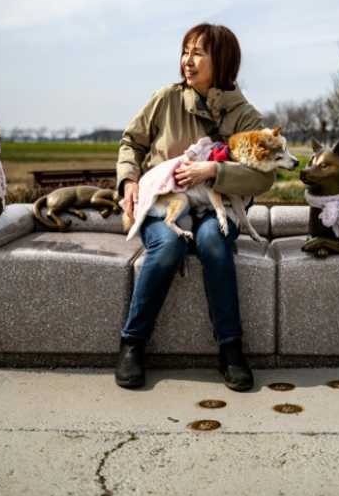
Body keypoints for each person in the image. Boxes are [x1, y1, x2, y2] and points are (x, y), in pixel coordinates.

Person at [114, 24, 274, 391]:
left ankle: (231, 350)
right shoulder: (166, 99)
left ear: (224, 60)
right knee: (167, 246)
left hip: (216, 207)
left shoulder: (245, 115)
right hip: (163, 201)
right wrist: (129, 180)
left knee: (214, 243)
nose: (188, 60)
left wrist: (214, 170)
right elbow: (131, 142)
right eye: (185, 51)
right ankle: (132, 344)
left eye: (198, 52)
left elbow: (263, 177)